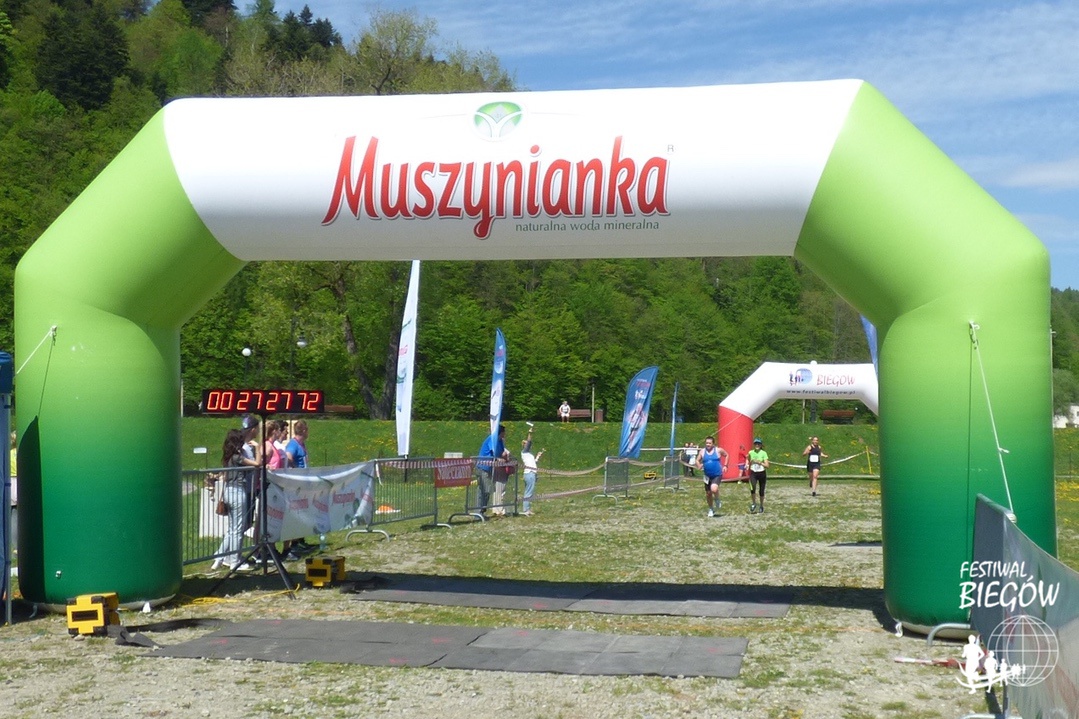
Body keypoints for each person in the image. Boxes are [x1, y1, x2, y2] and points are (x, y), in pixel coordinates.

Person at [211, 429, 254, 571]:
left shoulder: (227, 457)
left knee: (231, 529)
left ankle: (219, 557)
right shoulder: (238, 457)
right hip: (238, 492)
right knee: (237, 530)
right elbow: (257, 463)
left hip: (228, 492)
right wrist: (258, 447)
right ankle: (235, 561)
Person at [477, 424, 509, 515]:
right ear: (501, 432)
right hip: (483, 467)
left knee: (486, 490)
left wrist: (506, 457)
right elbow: (494, 453)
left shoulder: (500, 441)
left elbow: (501, 453)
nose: (505, 434)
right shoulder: (492, 439)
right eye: (504, 432)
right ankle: (479, 511)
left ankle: (481, 511)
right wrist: (499, 459)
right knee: (485, 489)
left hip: (490, 468)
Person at [695, 436, 728, 517]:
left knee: (714, 488)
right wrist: (699, 465)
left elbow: (727, 455)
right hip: (707, 476)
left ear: (713, 444)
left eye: (709, 443)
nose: (708, 445)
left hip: (717, 474)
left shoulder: (718, 450)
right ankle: (711, 509)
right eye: (706, 443)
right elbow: (697, 460)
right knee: (708, 493)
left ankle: (717, 499)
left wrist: (725, 465)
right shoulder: (702, 451)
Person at [520, 427, 544, 516]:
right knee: (528, 492)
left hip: (532, 473)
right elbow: (529, 442)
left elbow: (533, 462)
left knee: (529, 491)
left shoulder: (528, 454)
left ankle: (528, 509)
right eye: (525, 444)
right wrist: (530, 433)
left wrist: (538, 456)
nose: (528, 445)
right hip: (529, 473)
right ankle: (526, 510)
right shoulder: (524, 452)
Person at [747, 438, 769, 513]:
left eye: (758, 444)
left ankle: (761, 506)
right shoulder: (751, 452)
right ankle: (754, 503)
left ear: (761, 445)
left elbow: (767, 465)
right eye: (756, 444)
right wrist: (747, 464)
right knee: (752, 488)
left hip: (761, 473)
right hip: (753, 473)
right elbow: (747, 459)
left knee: (761, 491)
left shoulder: (764, 453)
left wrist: (760, 463)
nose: (757, 445)